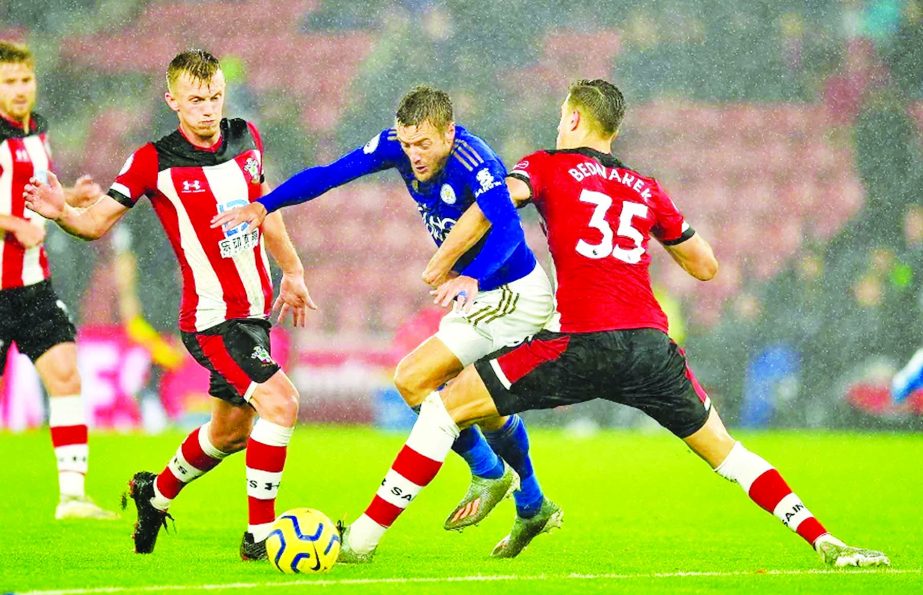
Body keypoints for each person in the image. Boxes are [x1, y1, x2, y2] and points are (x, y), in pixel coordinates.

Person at [336, 79, 891, 569]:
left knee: (443, 405)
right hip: (651, 347)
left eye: (561, 115)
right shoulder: (646, 187)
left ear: (574, 118)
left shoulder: (547, 164)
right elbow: (706, 267)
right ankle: (825, 540)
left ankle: (361, 540)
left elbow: (493, 202)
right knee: (727, 452)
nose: (558, 123)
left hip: (579, 342)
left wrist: (447, 264)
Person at [212, 85, 558, 548]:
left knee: (428, 385)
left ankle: (400, 520)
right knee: (433, 390)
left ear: (449, 133)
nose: (414, 155)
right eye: (407, 143)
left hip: (513, 293)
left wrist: (472, 277)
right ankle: (526, 500)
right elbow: (331, 174)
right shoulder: (398, 146)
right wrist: (264, 205)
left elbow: (510, 233)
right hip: (477, 297)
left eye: (424, 145)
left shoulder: (477, 163)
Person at [23, 49, 314, 561]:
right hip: (212, 320)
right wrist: (61, 211)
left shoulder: (247, 137)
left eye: (215, 97)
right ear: (172, 100)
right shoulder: (152, 161)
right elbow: (94, 225)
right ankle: (260, 536)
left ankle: (152, 495)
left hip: (254, 314)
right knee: (281, 403)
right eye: (196, 100)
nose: (208, 109)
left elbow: (265, 211)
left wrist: (291, 270)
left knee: (229, 433)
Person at [0, 40, 116, 520]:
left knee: (66, 374)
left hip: (33, 286)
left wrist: (69, 197)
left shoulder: (36, 132)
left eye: (25, 79)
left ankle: (72, 498)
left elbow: (23, 189)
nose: (20, 89)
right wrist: (11, 225)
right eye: (9, 82)